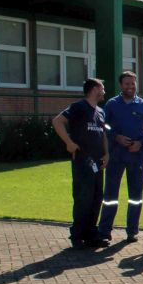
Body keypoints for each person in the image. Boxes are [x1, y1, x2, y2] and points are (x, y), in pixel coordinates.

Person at [97, 71, 143, 244]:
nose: (130, 87)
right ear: (120, 85)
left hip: (137, 157)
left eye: (133, 83)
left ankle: (132, 231)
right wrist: (116, 137)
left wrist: (141, 143)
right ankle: (104, 231)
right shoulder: (111, 105)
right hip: (115, 156)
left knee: (135, 196)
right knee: (110, 196)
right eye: (127, 84)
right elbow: (104, 126)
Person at [52, 78, 109, 250]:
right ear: (95, 88)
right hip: (83, 160)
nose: (104, 90)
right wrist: (69, 143)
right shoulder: (78, 107)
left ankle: (92, 234)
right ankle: (77, 235)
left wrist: (107, 154)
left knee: (96, 197)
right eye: (102, 87)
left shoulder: (100, 111)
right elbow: (57, 121)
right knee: (83, 198)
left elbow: (103, 133)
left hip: (98, 161)